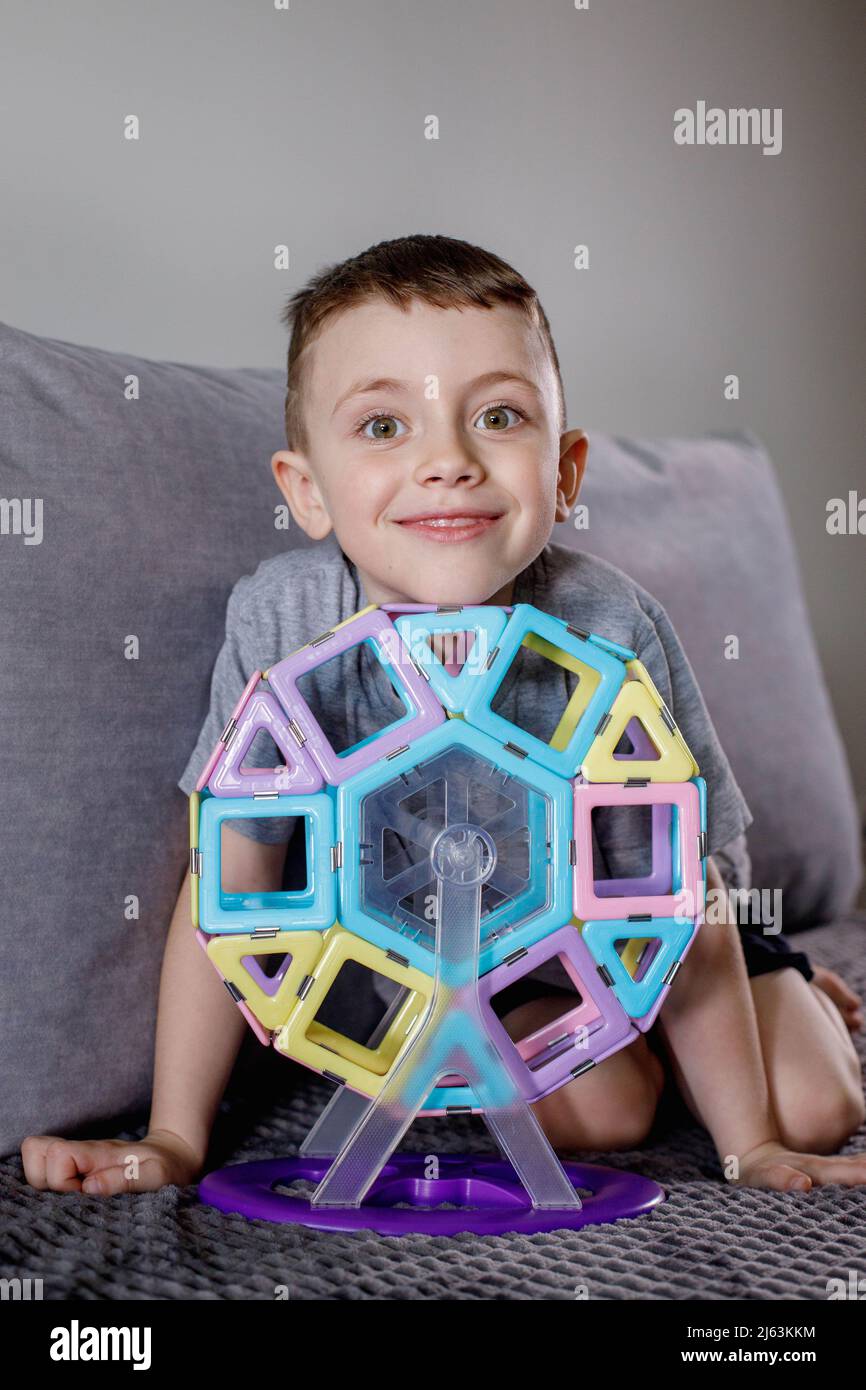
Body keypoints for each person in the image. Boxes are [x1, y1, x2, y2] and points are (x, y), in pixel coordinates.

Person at [23, 234, 865, 1197]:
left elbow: (684, 890)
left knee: (814, 1107)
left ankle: (793, 999)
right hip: (454, 963)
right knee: (613, 1109)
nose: (450, 462)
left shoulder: (610, 621)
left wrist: (749, 1145)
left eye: (499, 416)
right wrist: (173, 1137)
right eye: (384, 426)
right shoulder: (285, 620)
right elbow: (231, 884)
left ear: (566, 471)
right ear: (306, 490)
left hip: (645, 930)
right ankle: (656, 1059)